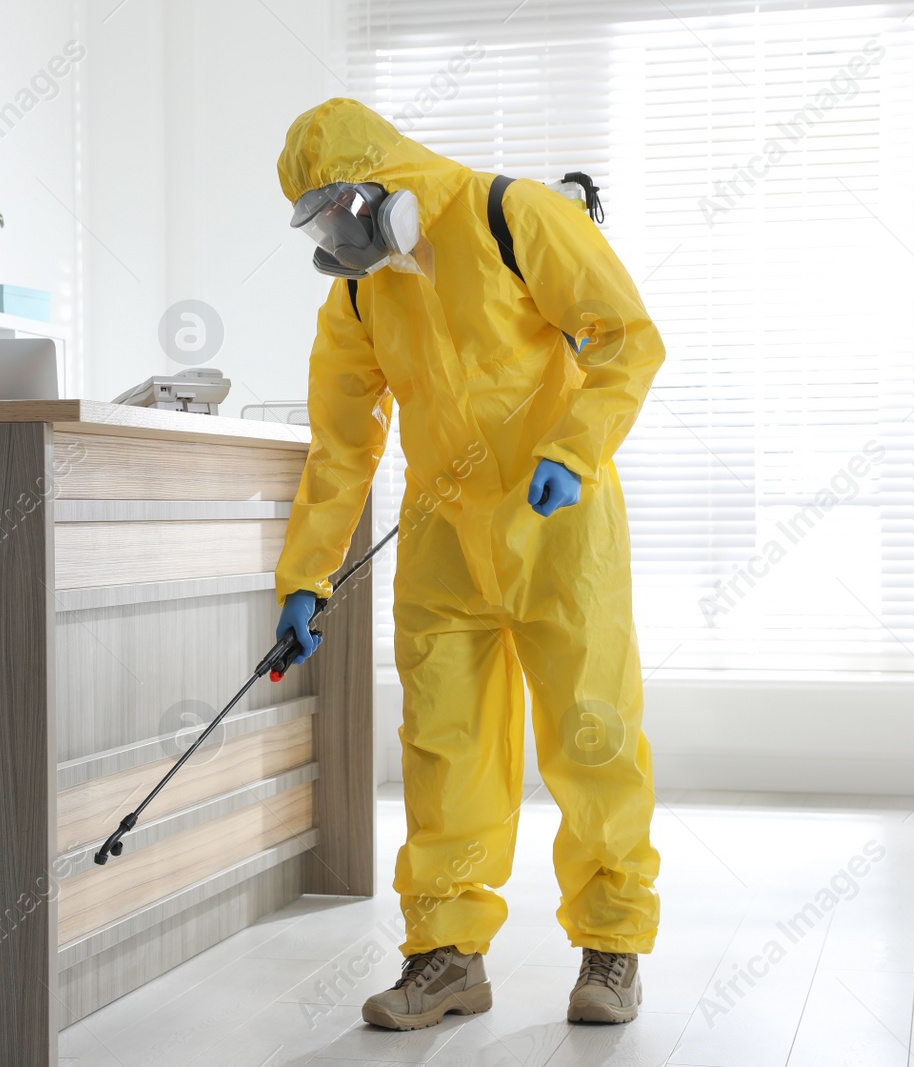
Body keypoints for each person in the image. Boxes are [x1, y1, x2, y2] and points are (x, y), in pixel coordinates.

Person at [272, 97, 664, 1029]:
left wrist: (572, 451)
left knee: (590, 730)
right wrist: (305, 576)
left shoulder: (515, 216)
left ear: (381, 185)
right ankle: (446, 955)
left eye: (336, 209)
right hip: (445, 541)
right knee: (443, 743)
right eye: (316, 220)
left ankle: (612, 947)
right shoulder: (362, 292)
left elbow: (625, 337)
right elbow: (341, 444)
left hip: (558, 526)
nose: (332, 234)